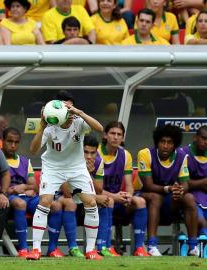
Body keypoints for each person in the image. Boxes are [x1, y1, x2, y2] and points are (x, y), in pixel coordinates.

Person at [27, 90, 104, 260]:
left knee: (91, 201)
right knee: (45, 201)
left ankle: (91, 250)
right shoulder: (50, 127)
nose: (69, 111)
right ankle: (36, 250)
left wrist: (80, 113)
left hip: (76, 167)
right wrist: (41, 126)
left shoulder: (79, 121)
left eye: (71, 107)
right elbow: (32, 151)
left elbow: (100, 129)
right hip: (53, 168)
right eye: (65, 108)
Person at [138, 125, 199, 256]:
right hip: (147, 196)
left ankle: (193, 246)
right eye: (162, 141)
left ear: (175, 144)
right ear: (157, 142)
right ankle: (152, 245)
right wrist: (168, 188)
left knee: (189, 198)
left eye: (170, 142)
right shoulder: (145, 154)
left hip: (169, 198)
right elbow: (148, 185)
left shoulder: (182, 156)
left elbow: (185, 183)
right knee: (156, 197)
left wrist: (180, 190)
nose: (165, 146)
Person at [98, 121, 148, 257]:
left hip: (118, 198)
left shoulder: (126, 155)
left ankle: (139, 248)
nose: (116, 137)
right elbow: (94, 188)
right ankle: (105, 246)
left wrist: (129, 196)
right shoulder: (95, 153)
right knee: (109, 201)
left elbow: (129, 185)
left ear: (123, 137)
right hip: (98, 199)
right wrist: (115, 196)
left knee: (140, 201)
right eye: (112, 133)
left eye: (119, 134)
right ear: (105, 135)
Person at [1, 127, 39, 257]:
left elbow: (34, 186)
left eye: (16, 142)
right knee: (20, 203)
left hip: (28, 197)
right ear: (2, 141)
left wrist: (24, 187)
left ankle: (49, 248)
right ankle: (23, 249)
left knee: (51, 204)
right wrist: (12, 190)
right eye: (9, 141)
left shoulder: (25, 161)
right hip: (9, 199)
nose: (13, 145)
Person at [181, 126, 207, 237]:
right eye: (203, 138)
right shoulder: (183, 153)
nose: (206, 142)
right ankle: (196, 246)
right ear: (195, 137)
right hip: (190, 197)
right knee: (201, 222)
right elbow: (184, 183)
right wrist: (203, 182)